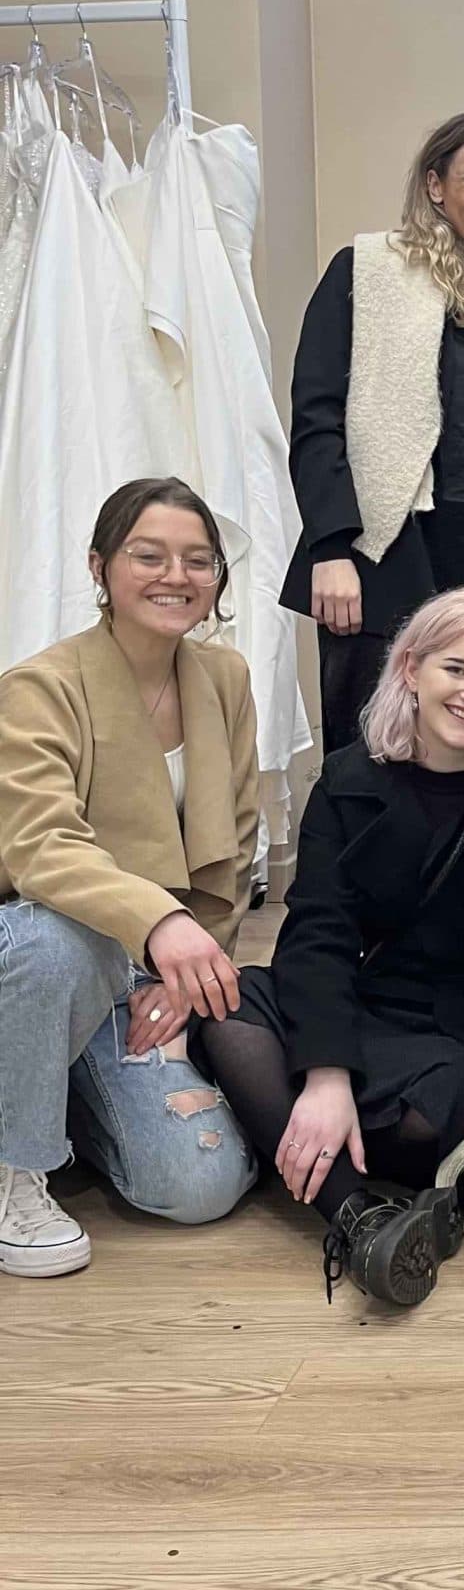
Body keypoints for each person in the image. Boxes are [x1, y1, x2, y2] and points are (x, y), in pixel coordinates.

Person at [191, 589, 464, 1308]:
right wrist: (326, 1075)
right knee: (230, 1009)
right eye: (455, 669)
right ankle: (363, 1216)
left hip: (456, 1026)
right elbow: (317, 929)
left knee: (431, 1109)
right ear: (411, 669)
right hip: (362, 999)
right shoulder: (350, 779)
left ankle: (307, 1154)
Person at [0, 479, 257, 1275]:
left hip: (141, 973)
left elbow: (235, 846)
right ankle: (13, 1169)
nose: (175, 576)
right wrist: (159, 923)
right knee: (58, 945)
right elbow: (39, 845)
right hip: (41, 957)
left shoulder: (225, 678)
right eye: (149, 556)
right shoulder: (41, 686)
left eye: (198, 560)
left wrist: (185, 980)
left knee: (200, 1185)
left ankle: (52, 1102)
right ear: (99, 566)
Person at [283, 109, 464, 753]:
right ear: (436, 186)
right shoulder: (365, 270)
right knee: (372, 746)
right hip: (383, 547)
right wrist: (331, 547)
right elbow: (316, 416)